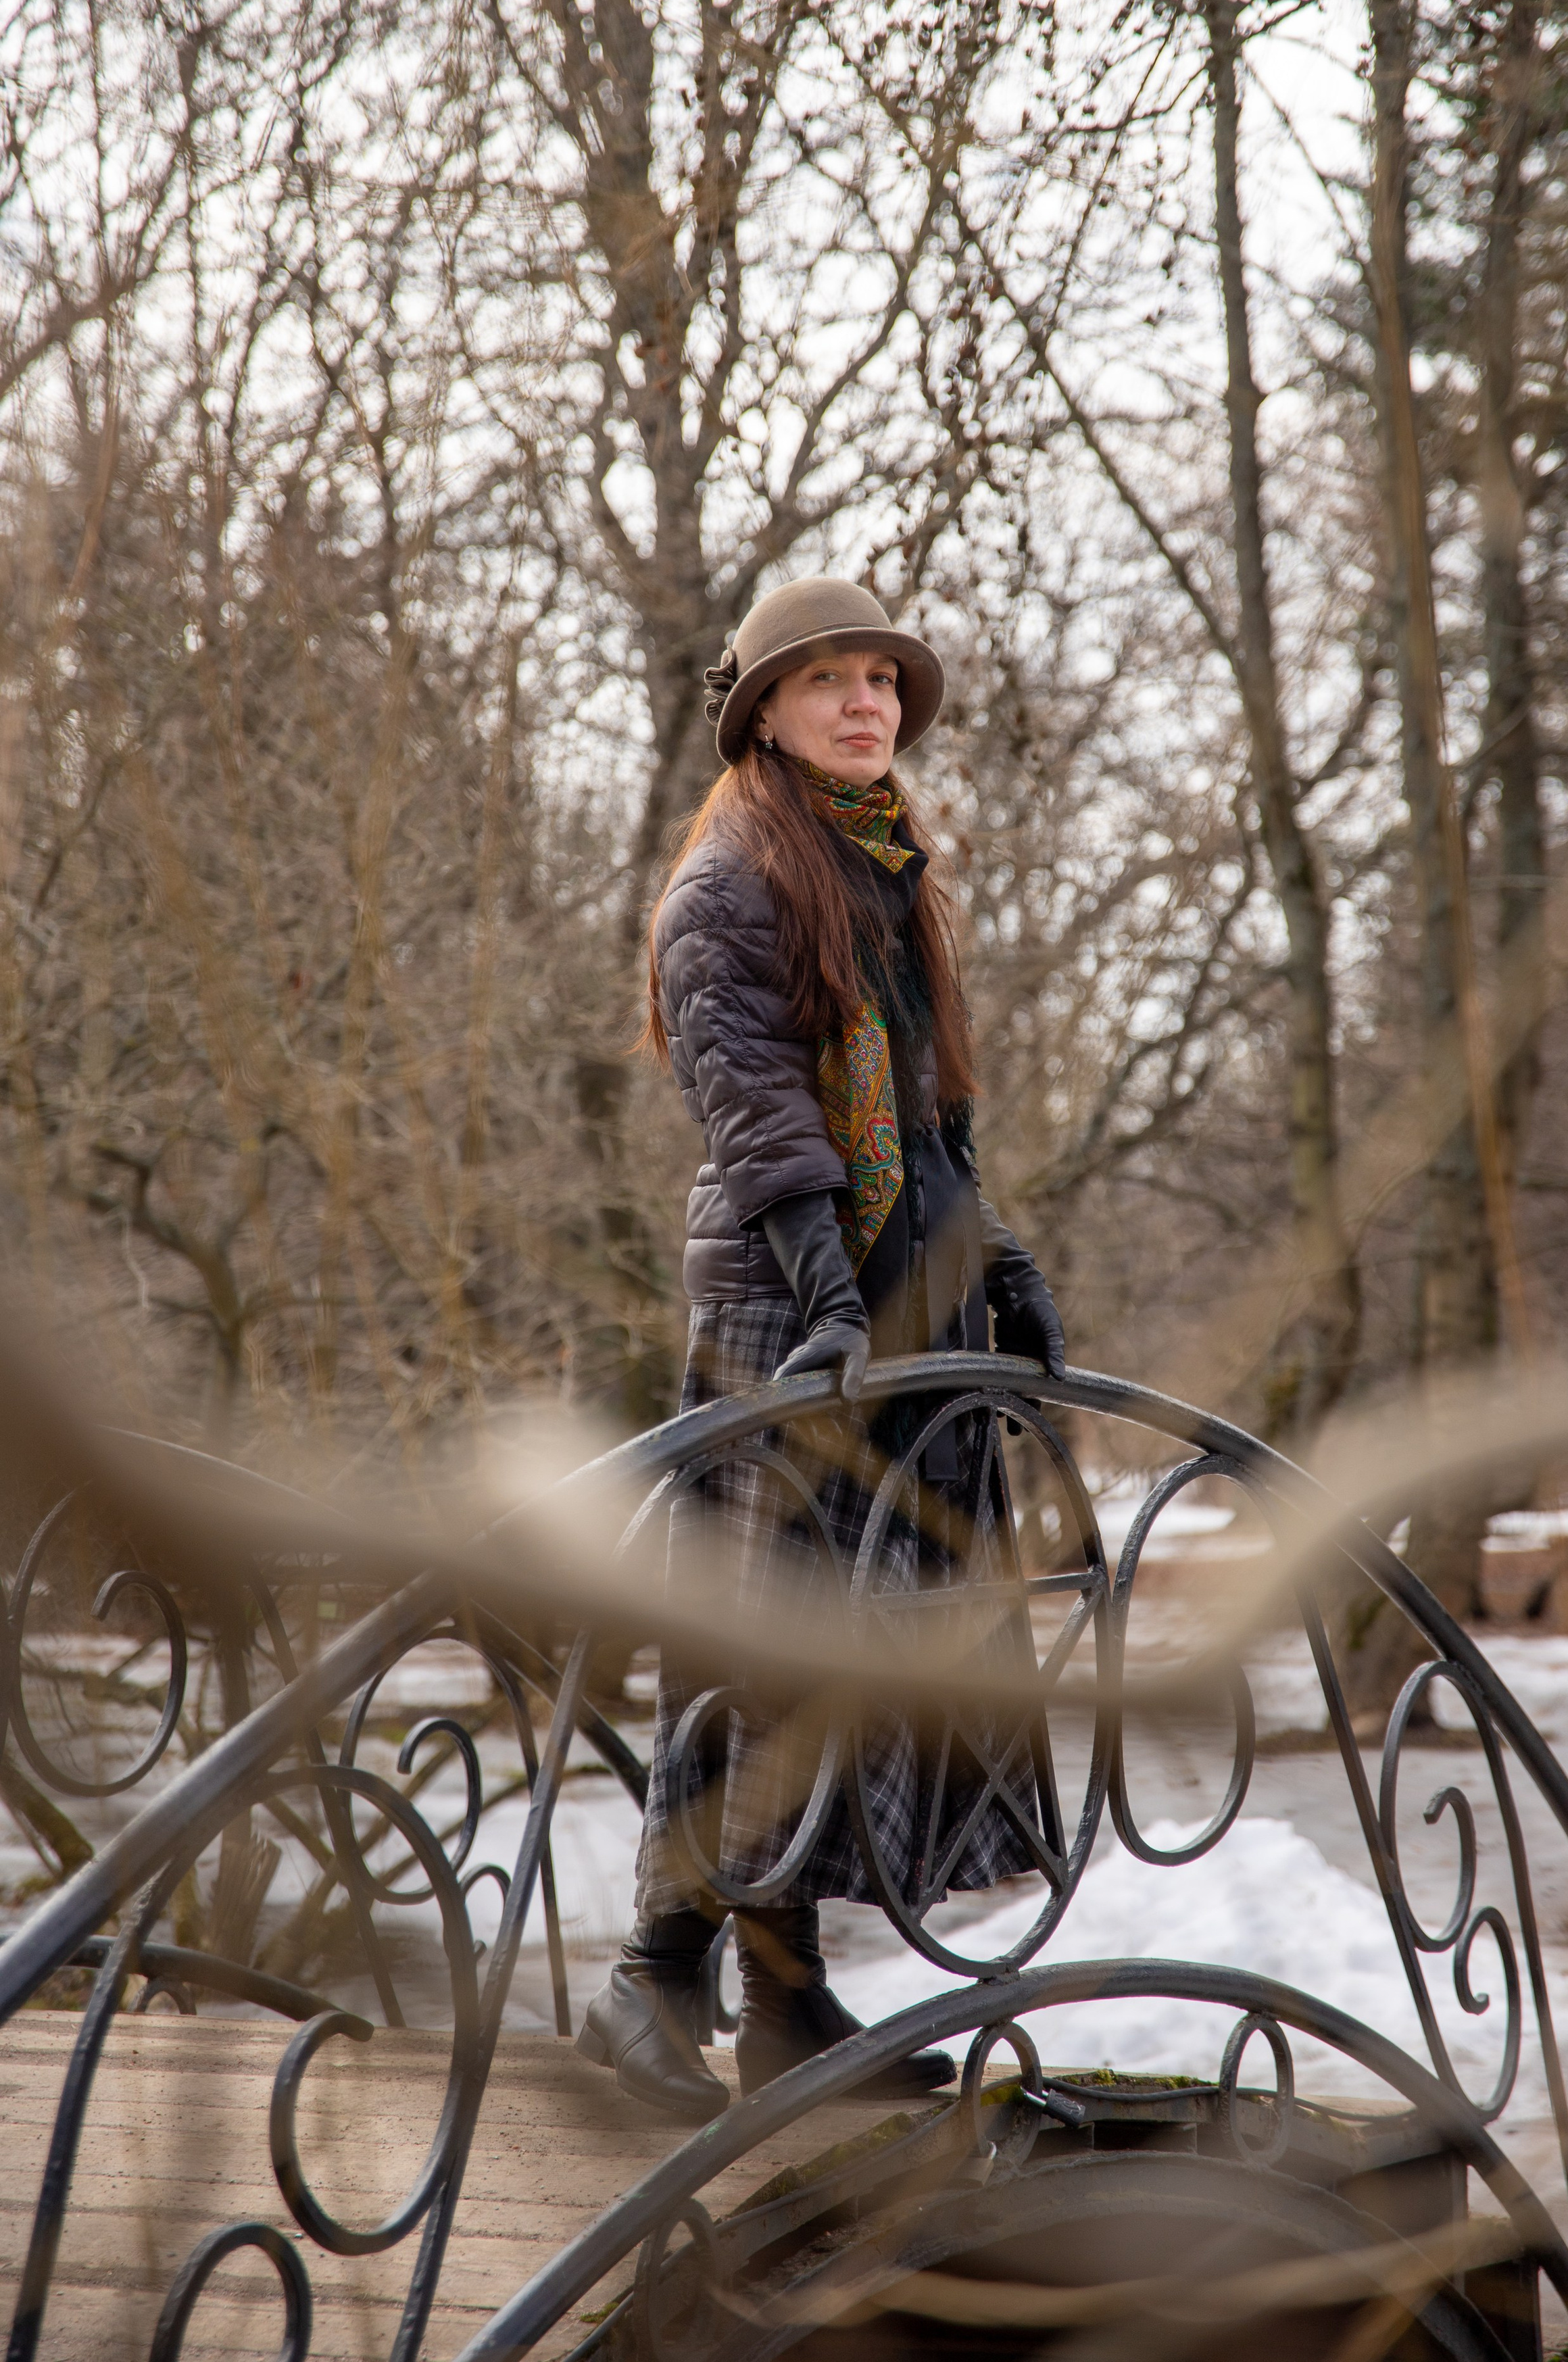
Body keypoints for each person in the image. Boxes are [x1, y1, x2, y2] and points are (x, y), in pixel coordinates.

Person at [578, 579, 1067, 2119]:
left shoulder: (883, 870)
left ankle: (785, 2002)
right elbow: (756, 1112)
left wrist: (998, 1259)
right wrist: (826, 1293)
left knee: (844, 1662)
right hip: (788, 1317)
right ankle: (651, 1977)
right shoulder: (728, 884)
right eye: (829, 681)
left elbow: (925, 1123)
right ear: (766, 715)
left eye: (882, 680)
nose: (867, 704)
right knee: (754, 1659)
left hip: (896, 1310)